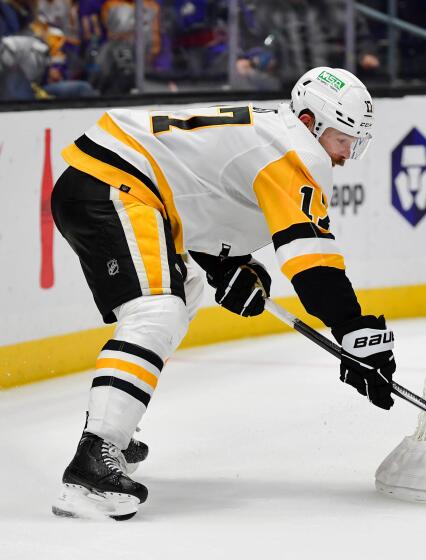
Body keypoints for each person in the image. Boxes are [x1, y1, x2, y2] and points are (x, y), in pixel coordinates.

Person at [50, 66, 396, 520]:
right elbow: (314, 267)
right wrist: (353, 332)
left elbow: (198, 186)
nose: (346, 155)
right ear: (311, 122)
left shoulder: (271, 131)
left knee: (185, 290)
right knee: (157, 310)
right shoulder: (296, 152)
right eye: (342, 139)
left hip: (115, 181)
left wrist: (230, 267)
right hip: (116, 186)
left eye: (356, 143)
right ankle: (94, 460)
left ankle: (112, 428)